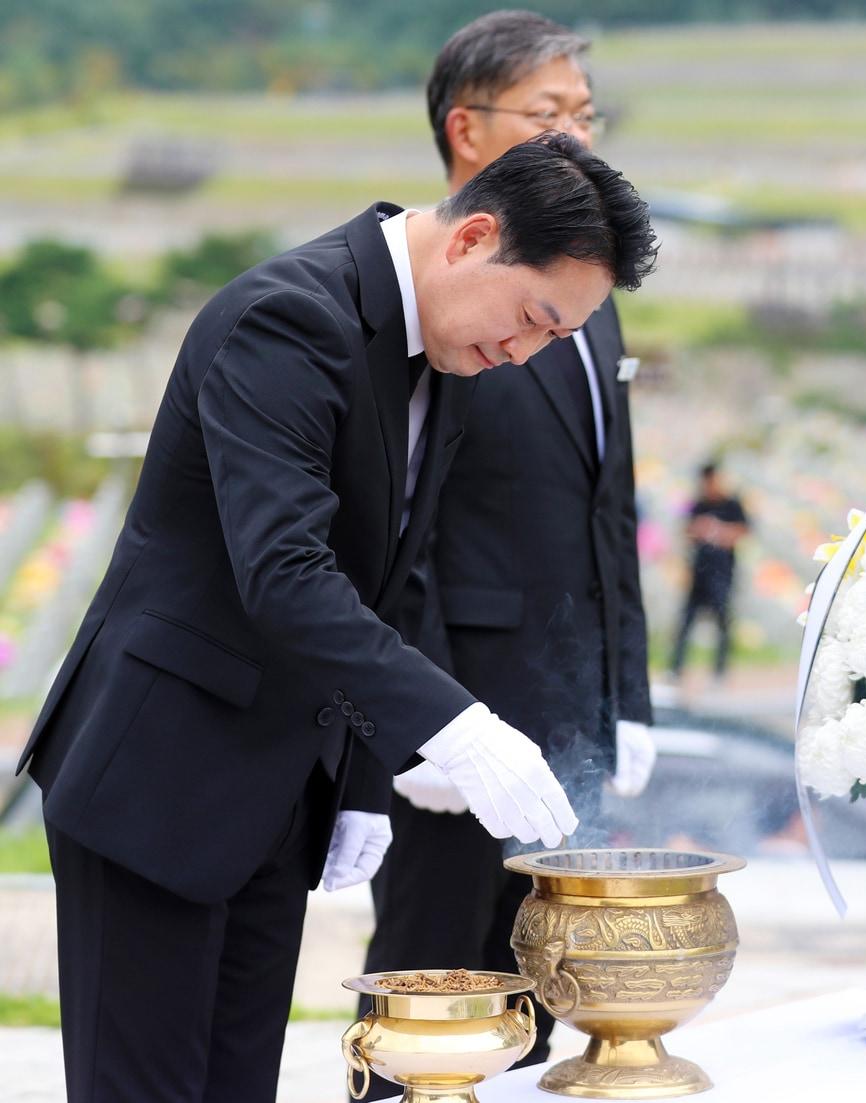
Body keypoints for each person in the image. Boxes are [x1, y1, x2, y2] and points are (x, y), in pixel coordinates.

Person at [16, 133, 657, 1102]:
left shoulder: (435, 356)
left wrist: (362, 776)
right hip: (160, 779)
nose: (523, 352)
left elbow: (383, 578)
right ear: (473, 236)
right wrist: (458, 724)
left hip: (275, 791)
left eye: (552, 339)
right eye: (530, 317)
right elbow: (286, 570)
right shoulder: (289, 317)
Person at [359, 12, 657, 1085]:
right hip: (459, 698)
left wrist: (628, 697)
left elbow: (605, 513)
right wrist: (423, 725)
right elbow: (400, 525)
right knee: (431, 971)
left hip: (563, 693)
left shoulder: (590, 297)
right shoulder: (437, 299)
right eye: (549, 114)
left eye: (586, 113)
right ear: (466, 130)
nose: (578, 135)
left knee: (533, 970)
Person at [669, 461, 749, 683]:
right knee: (686, 622)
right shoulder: (698, 504)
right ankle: (676, 668)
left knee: (723, 622)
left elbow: (742, 531)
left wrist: (719, 531)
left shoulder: (732, 504)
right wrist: (700, 529)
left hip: (722, 573)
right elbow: (686, 530)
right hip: (699, 572)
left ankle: (720, 671)